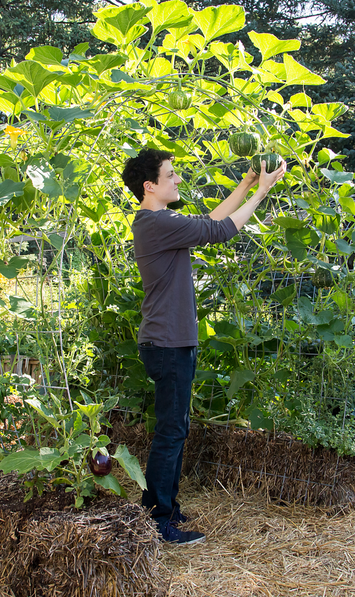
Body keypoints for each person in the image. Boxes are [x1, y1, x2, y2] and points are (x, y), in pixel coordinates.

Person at [121, 148, 286, 545]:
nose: (178, 180)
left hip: (170, 342)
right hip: (167, 343)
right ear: (150, 185)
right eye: (171, 175)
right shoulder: (156, 223)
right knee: (170, 433)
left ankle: (165, 509)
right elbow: (222, 231)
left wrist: (246, 183)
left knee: (174, 429)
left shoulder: (160, 221)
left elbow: (209, 222)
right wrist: (261, 194)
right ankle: (159, 521)